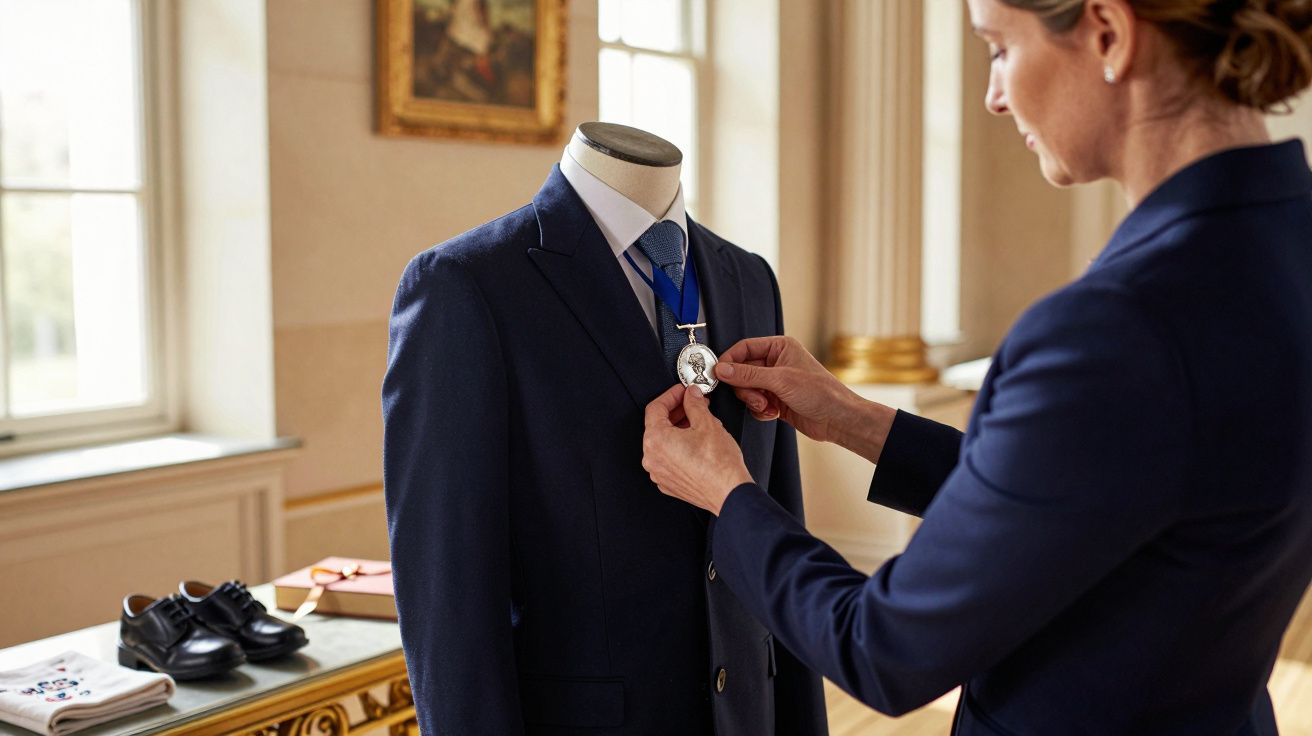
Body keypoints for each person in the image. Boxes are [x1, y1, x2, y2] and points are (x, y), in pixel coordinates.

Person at [640, 0, 1312, 733]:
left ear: (1108, 34)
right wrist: (856, 418)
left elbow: (884, 647)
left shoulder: (1119, 324)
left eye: (997, 49)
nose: (993, 96)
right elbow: (1098, 487)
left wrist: (728, 494)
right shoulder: (1283, 243)